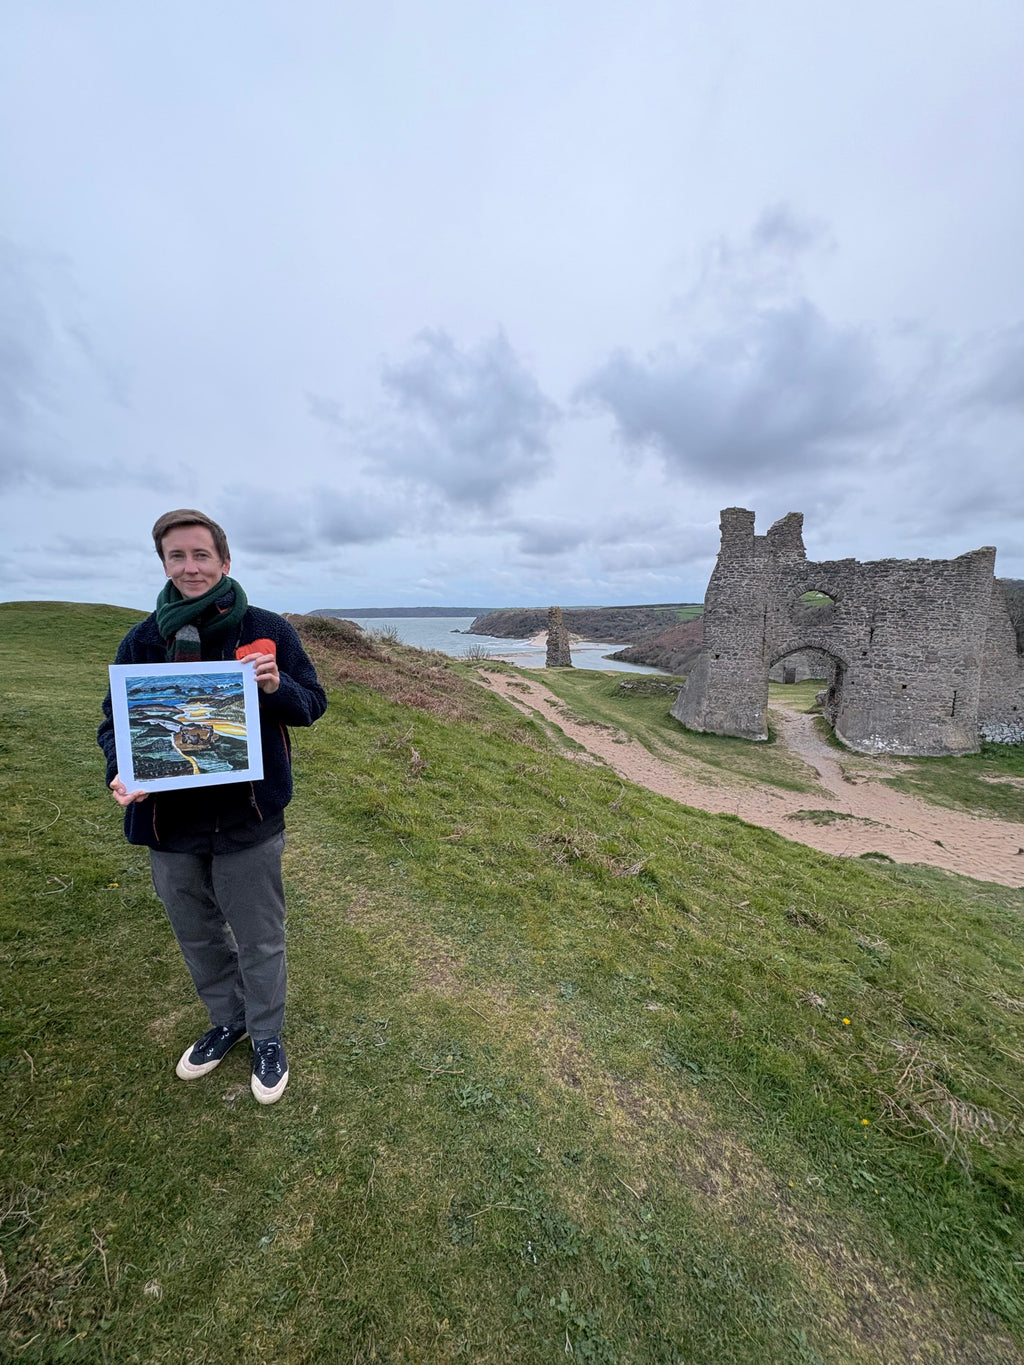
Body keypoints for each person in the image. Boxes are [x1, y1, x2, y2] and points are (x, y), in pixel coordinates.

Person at [98, 509, 327, 1104]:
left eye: (201, 555)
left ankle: (267, 1035)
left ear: (224, 562)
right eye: (178, 556)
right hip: (168, 823)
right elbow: (114, 722)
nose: (190, 566)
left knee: (259, 936)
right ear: (165, 565)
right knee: (196, 932)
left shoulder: (267, 628)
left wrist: (277, 688)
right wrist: (122, 769)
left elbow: (313, 706)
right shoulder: (143, 639)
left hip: (247, 820)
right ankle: (227, 1019)